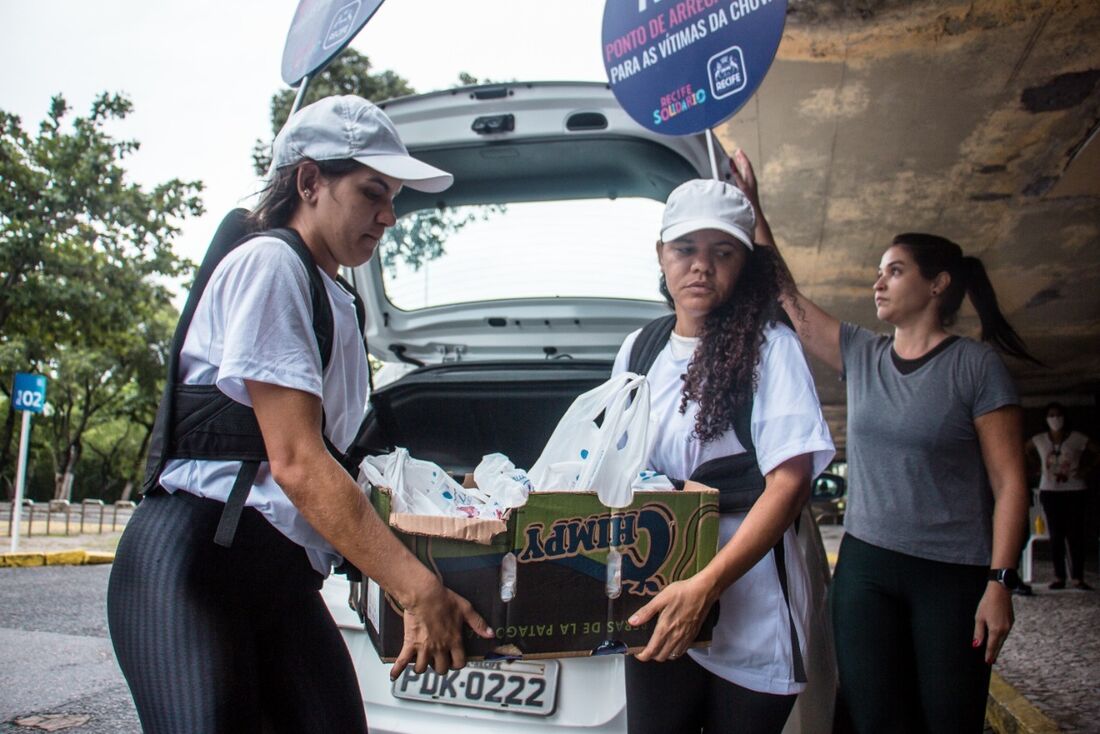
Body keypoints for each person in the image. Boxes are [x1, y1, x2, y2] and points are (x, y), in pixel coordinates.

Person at [107, 95, 493, 734]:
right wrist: (415, 587)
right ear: (310, 181)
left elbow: (344, 463)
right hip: (197, 565)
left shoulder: (336, 297)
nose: (389, 215)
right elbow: (297, 463)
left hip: (280, 580)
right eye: (373, 192)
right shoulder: (270, 263)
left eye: (393, 196)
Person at [729, 150, 1033, 733]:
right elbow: (787, 298)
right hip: (868, 567)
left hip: (952, 574)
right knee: (871, 716)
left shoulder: (975, 367)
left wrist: (999, 582)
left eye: (894, 270)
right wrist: (753, 206)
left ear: (937, 284)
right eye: (879, 270)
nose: (878, 281)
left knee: (948, 717)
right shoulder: (863, 353)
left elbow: (1010, 482)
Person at [615, 178, 835, 734]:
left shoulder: (770, 349)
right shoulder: (639, 347)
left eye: (723, 252)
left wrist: (706, 585)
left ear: (744, 265)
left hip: (751, 617)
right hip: (656, 603)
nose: (701, 267)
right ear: (661, 255)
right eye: (686, 249)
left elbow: (788, 485)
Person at [1026, 401, 1099, 590]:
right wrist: (1035, 467)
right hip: (1050, 491)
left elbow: (1096, 451)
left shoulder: (1076, 438)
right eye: (1051, 415)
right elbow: (1024, 449)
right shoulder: (1041, 439)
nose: (1055, 419)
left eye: (1058, 415)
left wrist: (1087, 469)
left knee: (1076, 534)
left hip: (1075, 490)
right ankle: (1059, 576)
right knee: (1056, 535)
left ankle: (1078, 576)